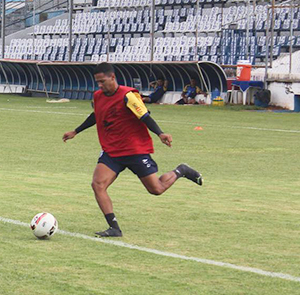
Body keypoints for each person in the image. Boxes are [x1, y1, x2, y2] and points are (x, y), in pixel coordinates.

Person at [62, 63, 203, 237]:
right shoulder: (98, 96)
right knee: (98, 185)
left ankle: (181, 170)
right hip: (112, 151)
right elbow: (96, 116)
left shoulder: (128, 96)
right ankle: (114, 228)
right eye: (97, 82)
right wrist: (75, 131)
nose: (99, 85)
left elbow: (145, 116)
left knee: (156, 189)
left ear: (112, 77)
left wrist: (160, 134)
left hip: (134, 149)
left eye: (102, 81)